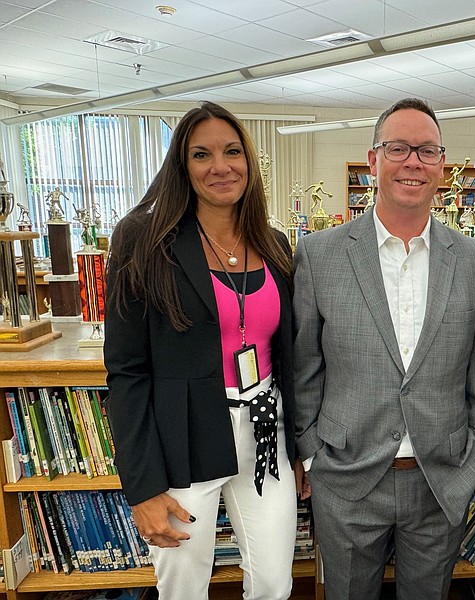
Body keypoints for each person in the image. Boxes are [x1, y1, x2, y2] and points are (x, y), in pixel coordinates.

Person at [293, 97, 475, 600]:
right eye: (398, 148)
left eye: (427, 151)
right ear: (373, 161)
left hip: (441, 479)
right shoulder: (320, 255)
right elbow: (304, 367)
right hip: (346, 479)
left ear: (442, 166)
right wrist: (312, 456)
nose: (413, 161)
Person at [104, 101, 301, 600]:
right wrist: (143, 487)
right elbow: (126, 372)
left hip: (262, 426)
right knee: (183, 586)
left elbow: (290, 355)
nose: (221, 166)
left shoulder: (274, 243)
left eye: (233, 151)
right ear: (181, 166)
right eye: (201, 154)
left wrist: (299, 448)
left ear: (249, 162)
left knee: (276, 581)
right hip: (182, 438)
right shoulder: (142, 241)